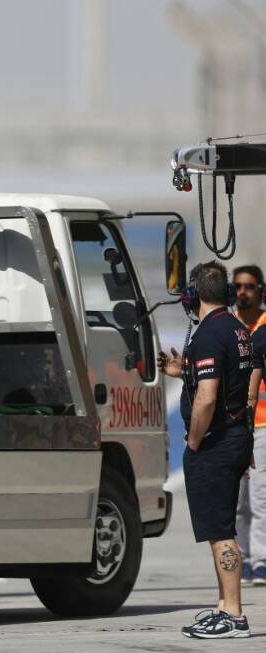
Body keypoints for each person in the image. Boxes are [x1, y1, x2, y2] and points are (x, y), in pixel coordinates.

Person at [159, 261, 254, 638]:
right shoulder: (236, 329)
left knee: (219, 531)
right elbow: (231, 383)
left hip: (215, 442)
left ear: (192, 295)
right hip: (235, 436)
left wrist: (194, 441)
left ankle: (233, 615)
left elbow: (207, 398)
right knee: (221, 527)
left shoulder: (210, 335)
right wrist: (183, 370)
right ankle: (223, 605)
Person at [233, 264, 266, 586]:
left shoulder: (265, 326)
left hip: (262, 425)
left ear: (261, 291)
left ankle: (260, 561)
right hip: (232, 425)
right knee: (238, 501)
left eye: (250, 286)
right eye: (238, 286)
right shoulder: (226, 324)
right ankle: (241, 559)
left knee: (260, 497)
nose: (243, 292)